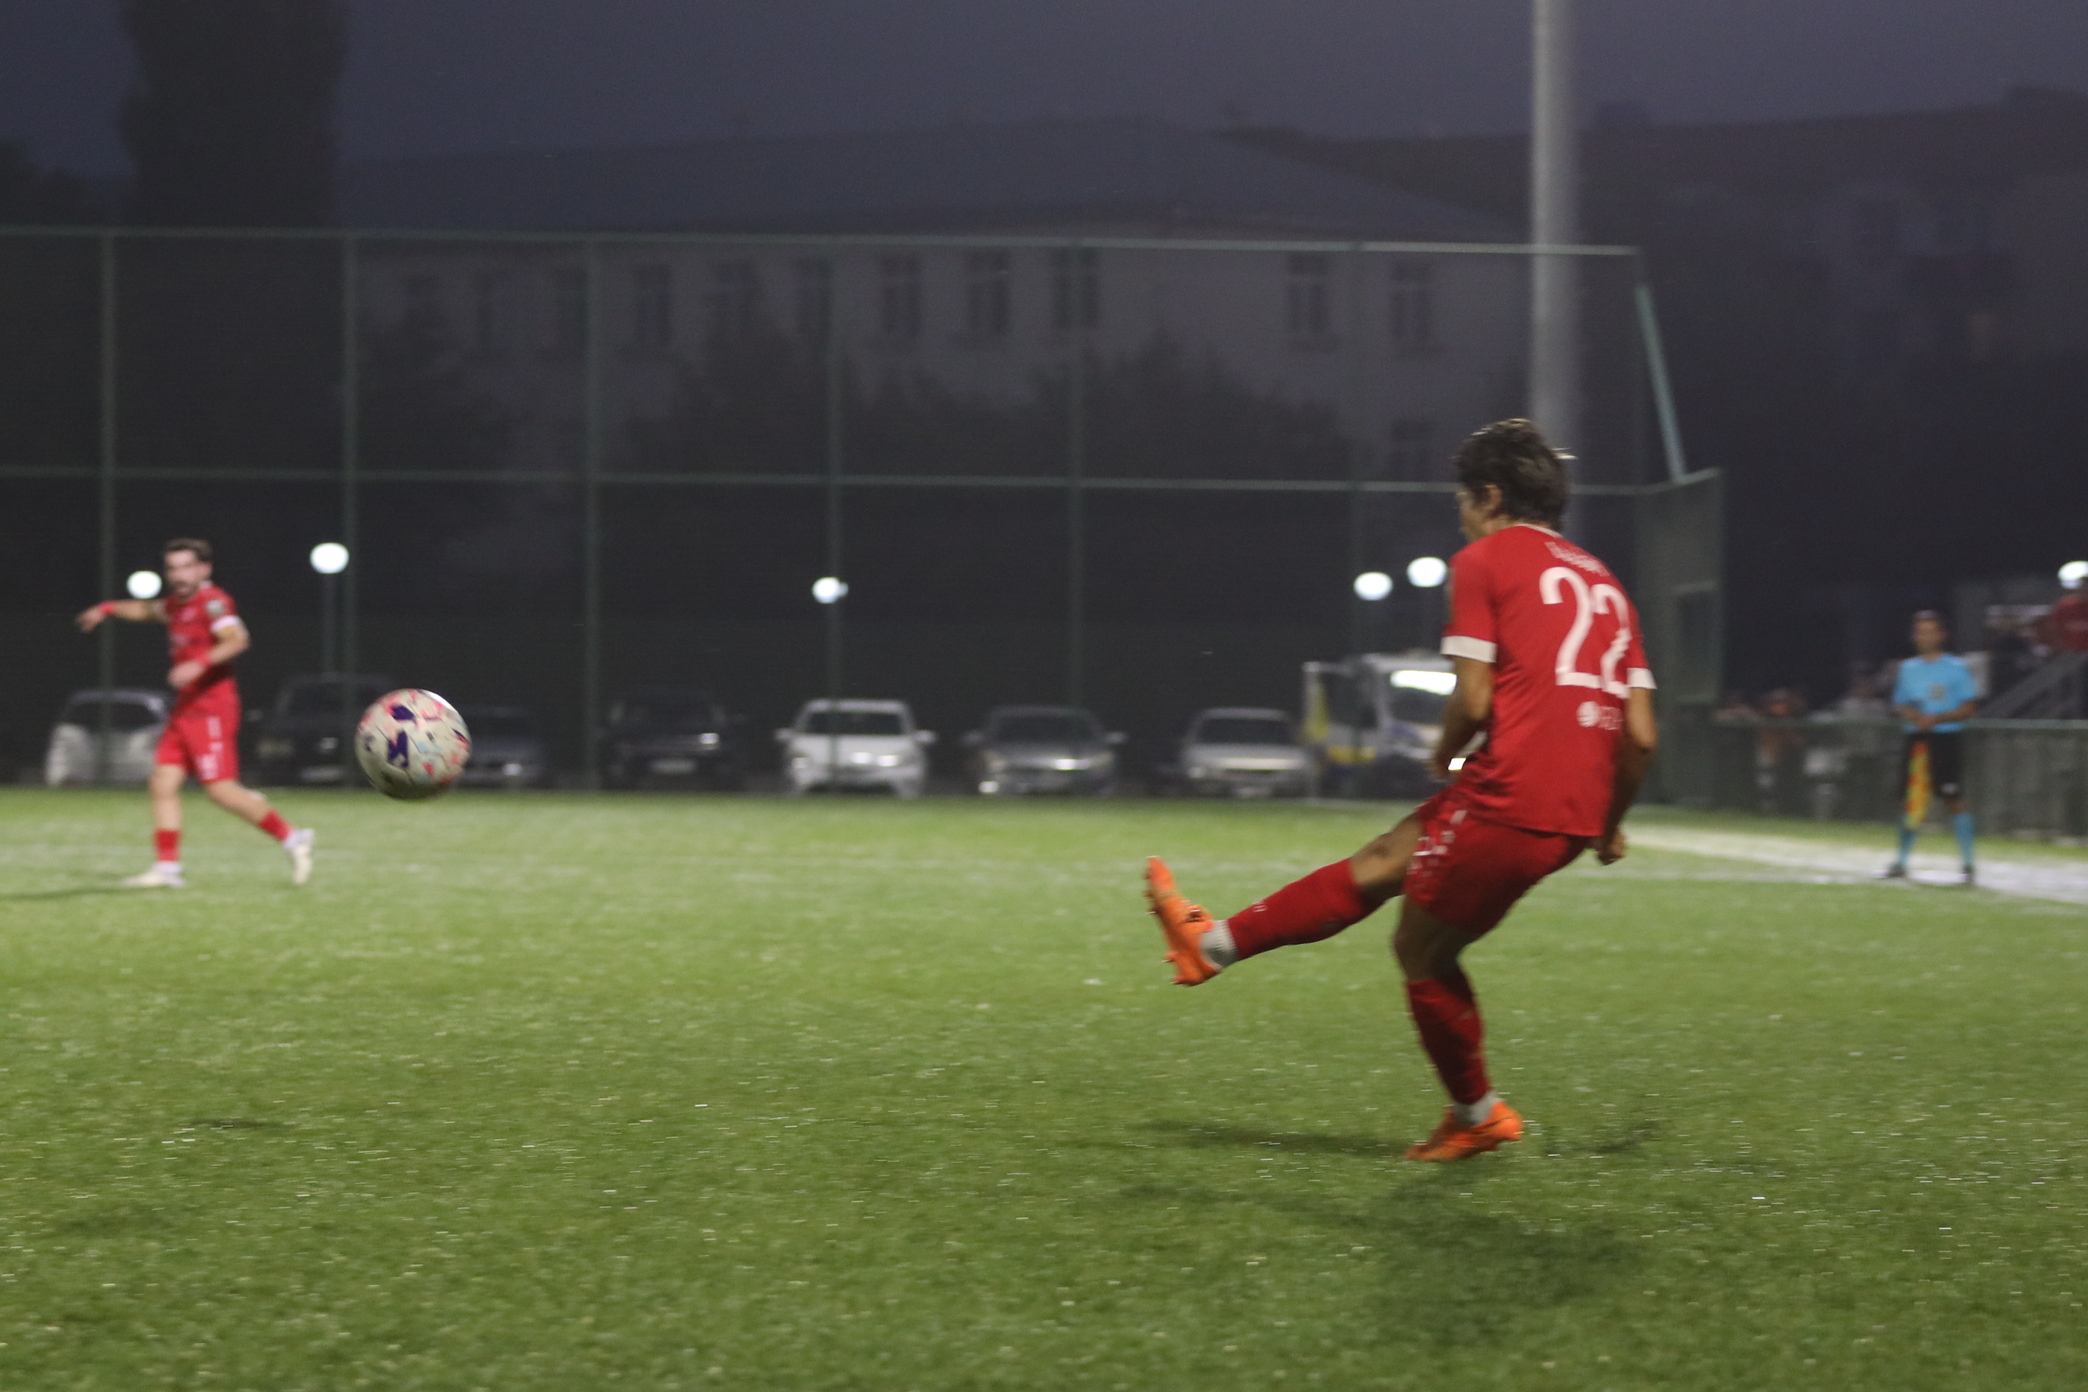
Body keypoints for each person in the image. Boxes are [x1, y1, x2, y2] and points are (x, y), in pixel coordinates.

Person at [1144, 419, 1659, 1162]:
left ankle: (1477, 1114)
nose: (1461, 517)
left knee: (1422, 950)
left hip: (1511, 795)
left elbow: (1474, 700)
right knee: (1387, 859)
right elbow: (1639, 736)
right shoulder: (1608, 586)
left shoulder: (1486, 560)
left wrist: (1446, 754)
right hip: (1569, 809)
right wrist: (1608, 824)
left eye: (1462, 501)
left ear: (1489, 496)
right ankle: (1210, 946)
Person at [76, 538, 314, 889]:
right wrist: (107, 608)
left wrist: (198, 663)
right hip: (186, 708)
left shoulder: (213, 601)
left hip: (212, 708)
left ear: (204, 569)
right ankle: (167, 868)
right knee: (162, 782)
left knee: (220, 790)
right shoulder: (176, 604)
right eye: (173, 568)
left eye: (187, 567)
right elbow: (146, 610)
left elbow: (237, 640)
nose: (179, 575)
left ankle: (293, 837)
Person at [1881, 610, 1978, 886]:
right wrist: (1913, 716)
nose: (1925, 637)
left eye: (1930, 631)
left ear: (1941, 635)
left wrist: (1938, 718)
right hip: (1917, 740)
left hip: (1945, 739)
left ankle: (1968, 863)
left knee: (1953, 797)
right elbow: (1900, 704)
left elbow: (1968, 707)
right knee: (1911, 800)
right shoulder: (1907, 669)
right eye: (1920, 632)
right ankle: (1901, 861)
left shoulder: (1956, 668)